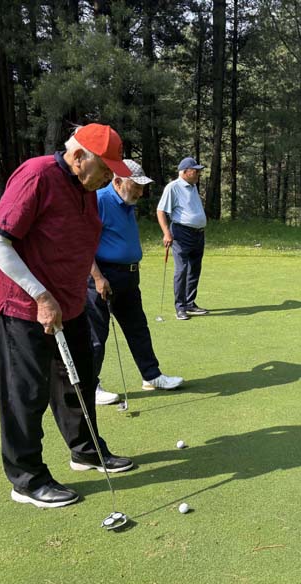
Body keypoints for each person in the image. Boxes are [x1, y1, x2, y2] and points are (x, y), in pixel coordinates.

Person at [0, 123, 135, 509]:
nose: (109, 177)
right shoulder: (37, 175)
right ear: (79, 156)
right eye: (105, 168)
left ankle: (85, 451)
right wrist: (41, 296)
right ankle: (26, 479)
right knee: (26, 393)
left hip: (70, 304)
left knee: (78, 380)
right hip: (24, 306)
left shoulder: (86, 188)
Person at [86, 159, 184, 405]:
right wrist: (97, 277)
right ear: (117, 181)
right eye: (136, 186)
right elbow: (81, 245)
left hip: (129, 276)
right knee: (97, 335)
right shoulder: (99, 200)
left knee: (138, 328)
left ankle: (151, 376)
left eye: (142, 187)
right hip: (104, 277)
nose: (141, 192)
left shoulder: (127, 202)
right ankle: (90, 386)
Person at [156, 157, 208, 321]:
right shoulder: (173, 187)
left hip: (198, 233)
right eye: (195, 170)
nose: (198, 173)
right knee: (182, 269)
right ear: (185, 172)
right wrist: (166, 233)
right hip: (181, 233)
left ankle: (190, 303)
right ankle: (180, 307)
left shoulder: (192, 187)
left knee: (194, 269)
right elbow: (161, 211)